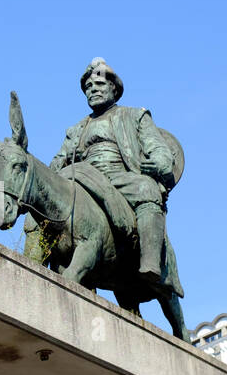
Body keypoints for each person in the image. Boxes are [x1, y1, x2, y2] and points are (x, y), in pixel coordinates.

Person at [50, 58, 179, 286]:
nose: (92, 91)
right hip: (82, 177)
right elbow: (59, 159)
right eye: (88, 88)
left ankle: (150, 261)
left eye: (98, 85)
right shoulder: (77, 129)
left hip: (121, 177)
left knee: (146, 187)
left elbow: (158, 149)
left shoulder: (135, 116)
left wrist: (158, 164)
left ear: (113, 88)